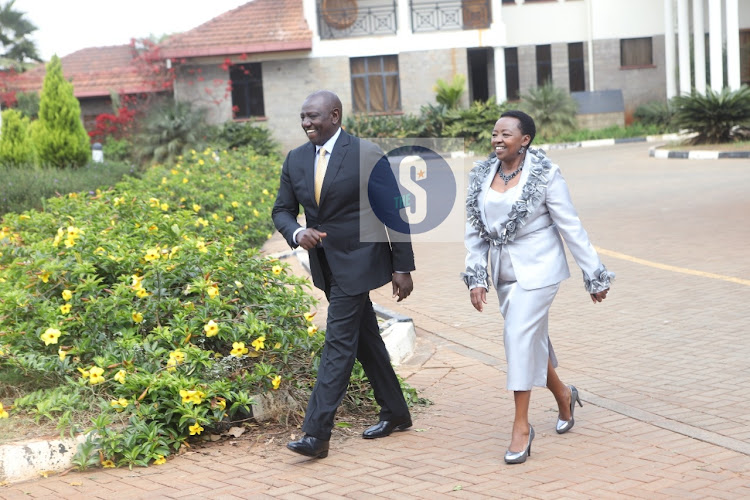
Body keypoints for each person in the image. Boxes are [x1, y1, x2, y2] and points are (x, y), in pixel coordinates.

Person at [461, 110, 613, 464]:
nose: (498, 139)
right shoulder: (482, 174)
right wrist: (476, 277)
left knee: (516, 336)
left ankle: (521, 428)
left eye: (506, 134)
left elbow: (569, 225)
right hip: (504, 273)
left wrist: (594, 274)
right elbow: (474, 230)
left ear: (525, 139)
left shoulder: (545, 174)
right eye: (495, 134)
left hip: (540, 268)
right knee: (528, 339)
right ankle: (563, 394)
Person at [272, 90, 415, 459]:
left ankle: (316, 435)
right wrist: (296, 232)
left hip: (360, 260)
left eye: (314, 117)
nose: (307, 124)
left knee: (337, 346)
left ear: (334, 116)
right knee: (365, 338)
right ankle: (396, 412)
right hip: (326, 266)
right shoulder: (296, 159)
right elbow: (282, 211)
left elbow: (395, 212)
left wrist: (402, 266)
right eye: (303, 117)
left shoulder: (366, 153)